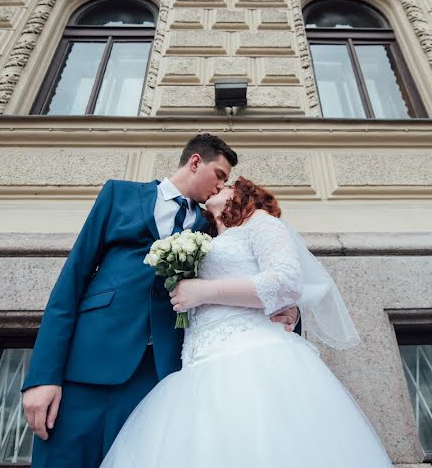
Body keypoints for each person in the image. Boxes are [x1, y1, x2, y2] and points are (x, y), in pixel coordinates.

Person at [21, 135, 299, 467]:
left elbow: (256, 268)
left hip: (159, 378)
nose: (222, 185)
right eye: (220, 175)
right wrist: (42, 376)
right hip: (89, 365)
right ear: (195, 162)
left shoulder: (214, 226)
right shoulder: (118, 195)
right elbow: (71, 282)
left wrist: (291, 310)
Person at [100, 177, 394, 468]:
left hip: (251, 356)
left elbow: (286, 281)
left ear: (243, 197)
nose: (218, 186)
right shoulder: (206, 240)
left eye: (227, 185)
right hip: (196, 367)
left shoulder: (260, 222)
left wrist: (203, 291)